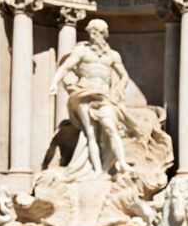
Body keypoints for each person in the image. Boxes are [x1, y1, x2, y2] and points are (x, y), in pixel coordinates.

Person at [48, 18, 138, 174]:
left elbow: (124, 76)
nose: (94, 35)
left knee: (111, 128)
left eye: (97, 32)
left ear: (104, 34)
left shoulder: (113, 55)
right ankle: (98, 172)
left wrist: (118, 89)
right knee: (90, 132)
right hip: (84, 94)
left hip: (104, 96)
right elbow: (65, 67)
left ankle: (122, 163)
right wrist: (54, 83)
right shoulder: (82, 51)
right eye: (92, 32)